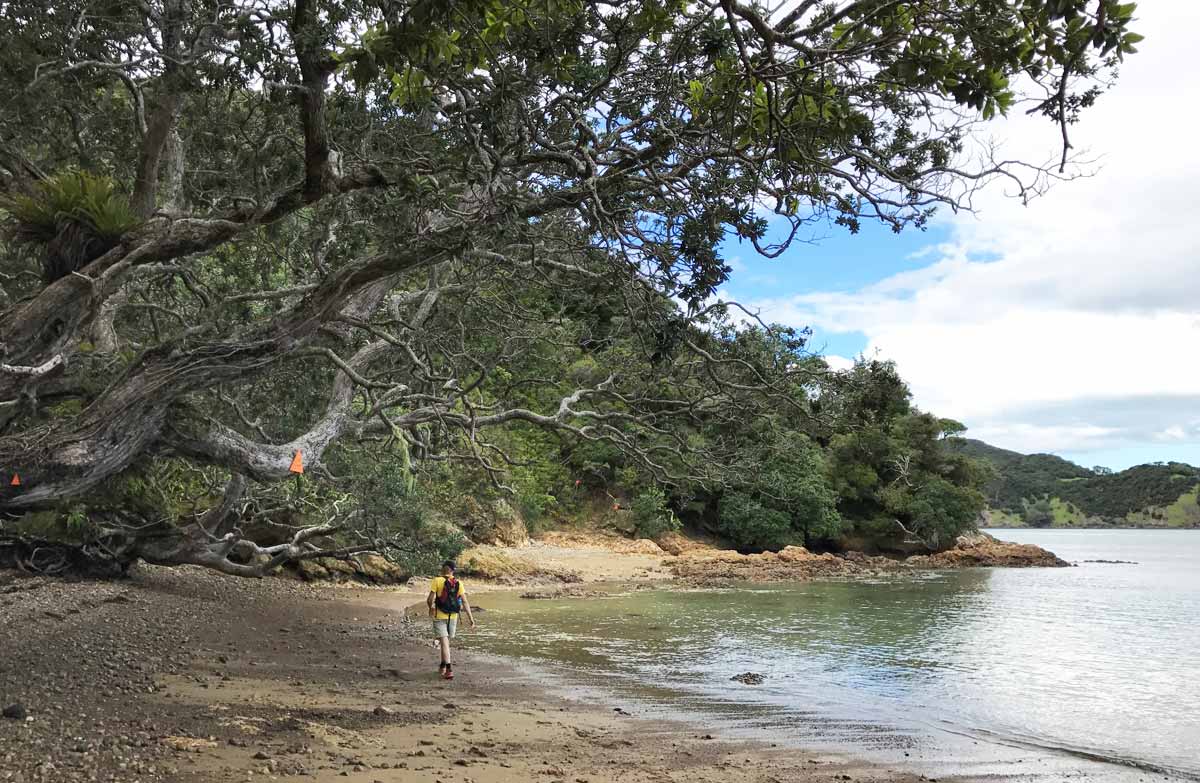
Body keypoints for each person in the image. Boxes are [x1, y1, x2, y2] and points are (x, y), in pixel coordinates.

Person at [427, 559, 475, 679]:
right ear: (453, 570)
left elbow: (430, 599)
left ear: (443, 569)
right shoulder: (458, 583)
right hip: (453, 617)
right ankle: (442, 666)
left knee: (444, 643)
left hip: (439, 616)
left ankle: (449, 669)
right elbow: (465, 601)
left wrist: (430, 608)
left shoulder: (437, 580)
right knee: (445, 642)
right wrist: (471, 618)